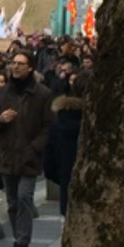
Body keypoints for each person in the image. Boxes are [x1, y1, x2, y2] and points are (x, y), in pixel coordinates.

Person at [0, 51, 53, 247]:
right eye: (14, 63)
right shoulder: (0, 94)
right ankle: (17, 237)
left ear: (30, 67)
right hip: (7, 155)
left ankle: (23, 243)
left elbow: (49, 126)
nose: (16, 67)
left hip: (29, 157)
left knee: (24, 197)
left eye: (21, 64)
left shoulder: (42, 94)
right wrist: (0, 119)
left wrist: (34, 148)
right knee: (12, 202)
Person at [44, 73, 87, 217]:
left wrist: (63, 178)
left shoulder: (59, 123)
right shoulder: (94, 125)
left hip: (68, 196)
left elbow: (49, 164)